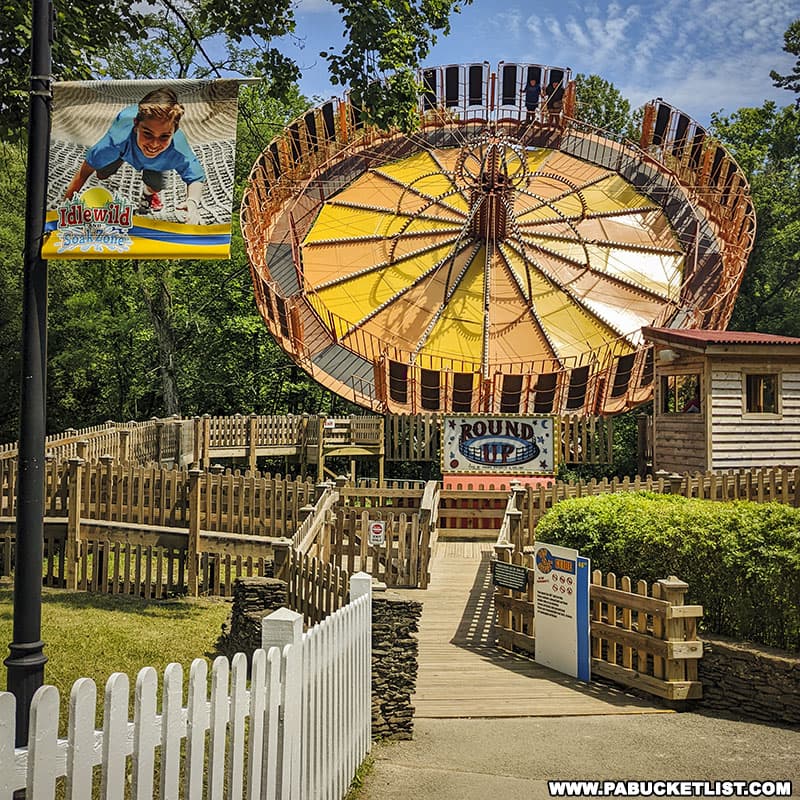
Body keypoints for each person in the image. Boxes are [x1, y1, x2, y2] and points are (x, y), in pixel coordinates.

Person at [64, 87, 205, 224]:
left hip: (159, 160)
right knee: (101, 174)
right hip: (123, 150)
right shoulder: (116, 141)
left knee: (156, 186)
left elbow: (196, 177)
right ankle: (120, 160)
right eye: (148, 134)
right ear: (136, 125)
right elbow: (84, 172)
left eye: (164, 136)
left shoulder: (178, 149)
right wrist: (65, 205)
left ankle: (148, 194)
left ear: (174, 133)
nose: (154, 144)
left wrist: (192, 203)